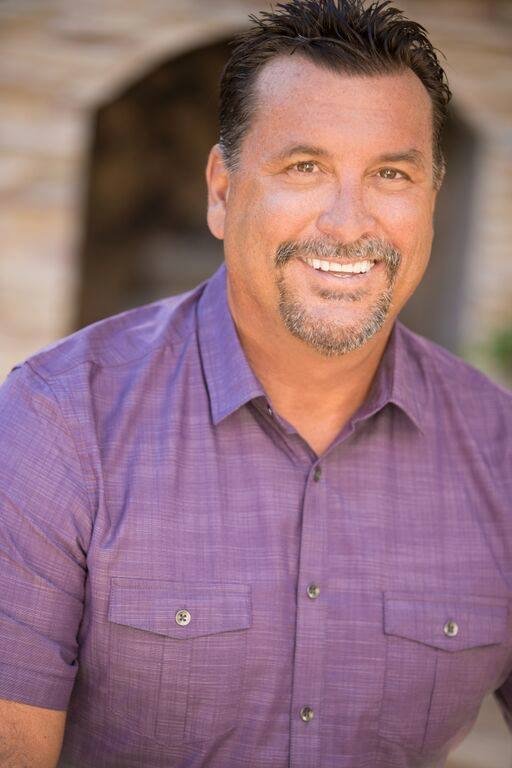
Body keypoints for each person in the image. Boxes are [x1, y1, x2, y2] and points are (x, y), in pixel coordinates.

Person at [0, 0, 511, 766]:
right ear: (222, 188)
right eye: (305, 167)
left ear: (432, 199)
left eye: (391, 173)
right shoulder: (58, 426)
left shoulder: (500, 454)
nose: (348, 223)